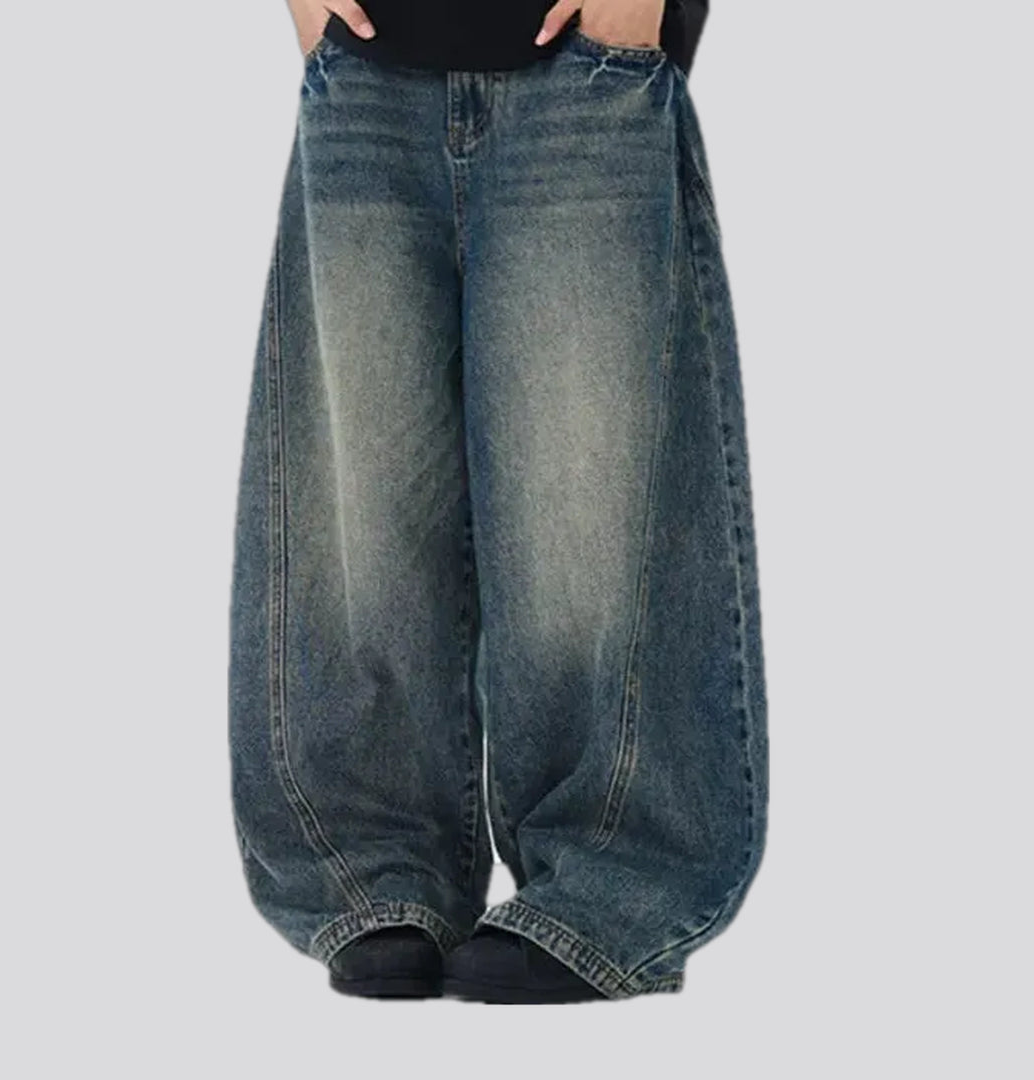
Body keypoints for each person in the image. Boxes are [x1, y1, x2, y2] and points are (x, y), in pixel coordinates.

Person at [228, 0, 768, 1003]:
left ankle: (613, 882)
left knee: (590, 510)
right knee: (361, 509)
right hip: (365, 67)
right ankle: (374, 868)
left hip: (586, 67)